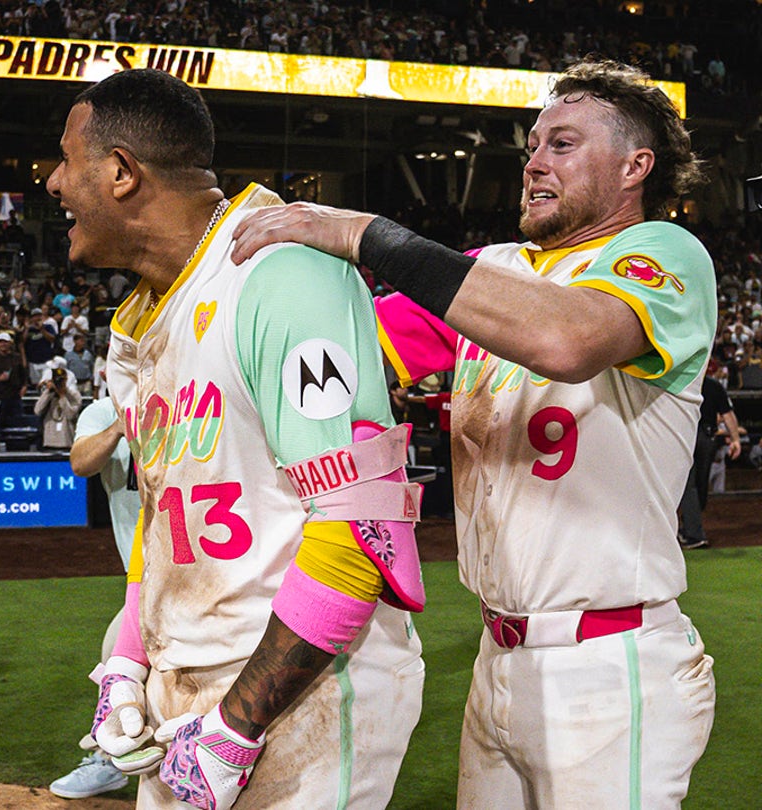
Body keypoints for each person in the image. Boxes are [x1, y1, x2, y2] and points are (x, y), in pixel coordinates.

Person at [232, 58, 716, 808]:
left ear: (635, 166)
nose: (532, 163)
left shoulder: (664, 252)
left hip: (611, 666)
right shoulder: (490, 270)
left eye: (561, 144)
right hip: (497, 656)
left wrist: (365, 234)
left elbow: (566, 340)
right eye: (531, 146)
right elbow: (344, 353)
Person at [48, 69, 424, 810]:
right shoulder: (144, 316)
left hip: (298, 693)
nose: (55, 182)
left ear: (122, 173)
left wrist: (235, 727)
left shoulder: (278, 273)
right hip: (187, 696)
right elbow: (167, 524)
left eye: (67, 160)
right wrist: (127, 663)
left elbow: (359, 525)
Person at [49, 389, 139, 800]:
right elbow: (81, 463)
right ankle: (111, 757)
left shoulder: (187, 399)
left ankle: (108, 758)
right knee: (120, 661)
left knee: (117, 658)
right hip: (142, 576)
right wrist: (121, 426)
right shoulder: (102, 411)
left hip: (201, 569)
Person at [677, 365, 742, 549]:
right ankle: (691, 527)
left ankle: (693, 533)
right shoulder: (713, 385)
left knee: (690, 486)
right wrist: (735, 439)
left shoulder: (682, 383)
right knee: (700, 483)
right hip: (707, 437)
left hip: (687, 434)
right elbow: (728, 415)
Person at [34, 364, 80, 450]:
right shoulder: (49, 394)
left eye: (61, 380)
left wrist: (62, 395)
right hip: (49, 441)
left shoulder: (74, 395)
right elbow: (37, 410)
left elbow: (70, 415)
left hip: (67, 440)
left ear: (66, 380)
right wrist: (48, 392)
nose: (59, 383)